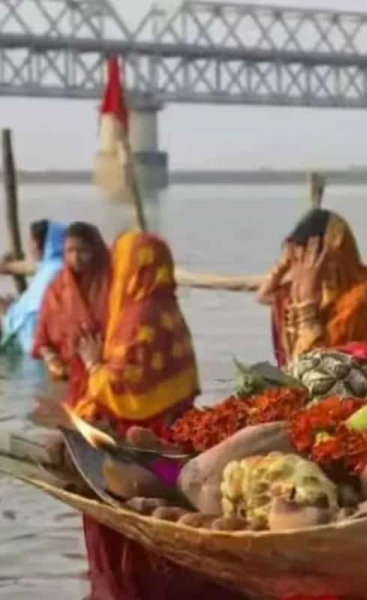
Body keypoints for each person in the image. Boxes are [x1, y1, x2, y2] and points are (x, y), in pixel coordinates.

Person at [72, 230, 246, 599]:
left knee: (127, 520)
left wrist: (92, 366)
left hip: (137, 448)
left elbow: (124, 387)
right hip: (174, 444)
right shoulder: (169, 309)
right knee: (178, 506)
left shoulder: (138, 316)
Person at [257, 209, 367, 366]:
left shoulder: (365, 299)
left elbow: (322, 370)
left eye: (312, 258)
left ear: (334, 257)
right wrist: (280, 269)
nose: (303, 268)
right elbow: (265, 296)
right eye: (297, 259)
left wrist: (307, 310)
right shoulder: (300, 295)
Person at [33, 222, 111, 403]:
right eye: (70, 251)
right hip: (66, 378)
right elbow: (42, 336)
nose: (76, 257)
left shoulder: (111, 286)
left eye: (83, 251)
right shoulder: (56, 289)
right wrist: (51, 359)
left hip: (104, 376)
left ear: (96, 251)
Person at [0, 220, 66, 355]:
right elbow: (27, 267)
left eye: (31, 240)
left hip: (33, 343)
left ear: (37, 244)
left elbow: (31, 314)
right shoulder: (56, 264)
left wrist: (10, 309)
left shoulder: (52, 272)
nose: (29, 246)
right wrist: (6, 267)